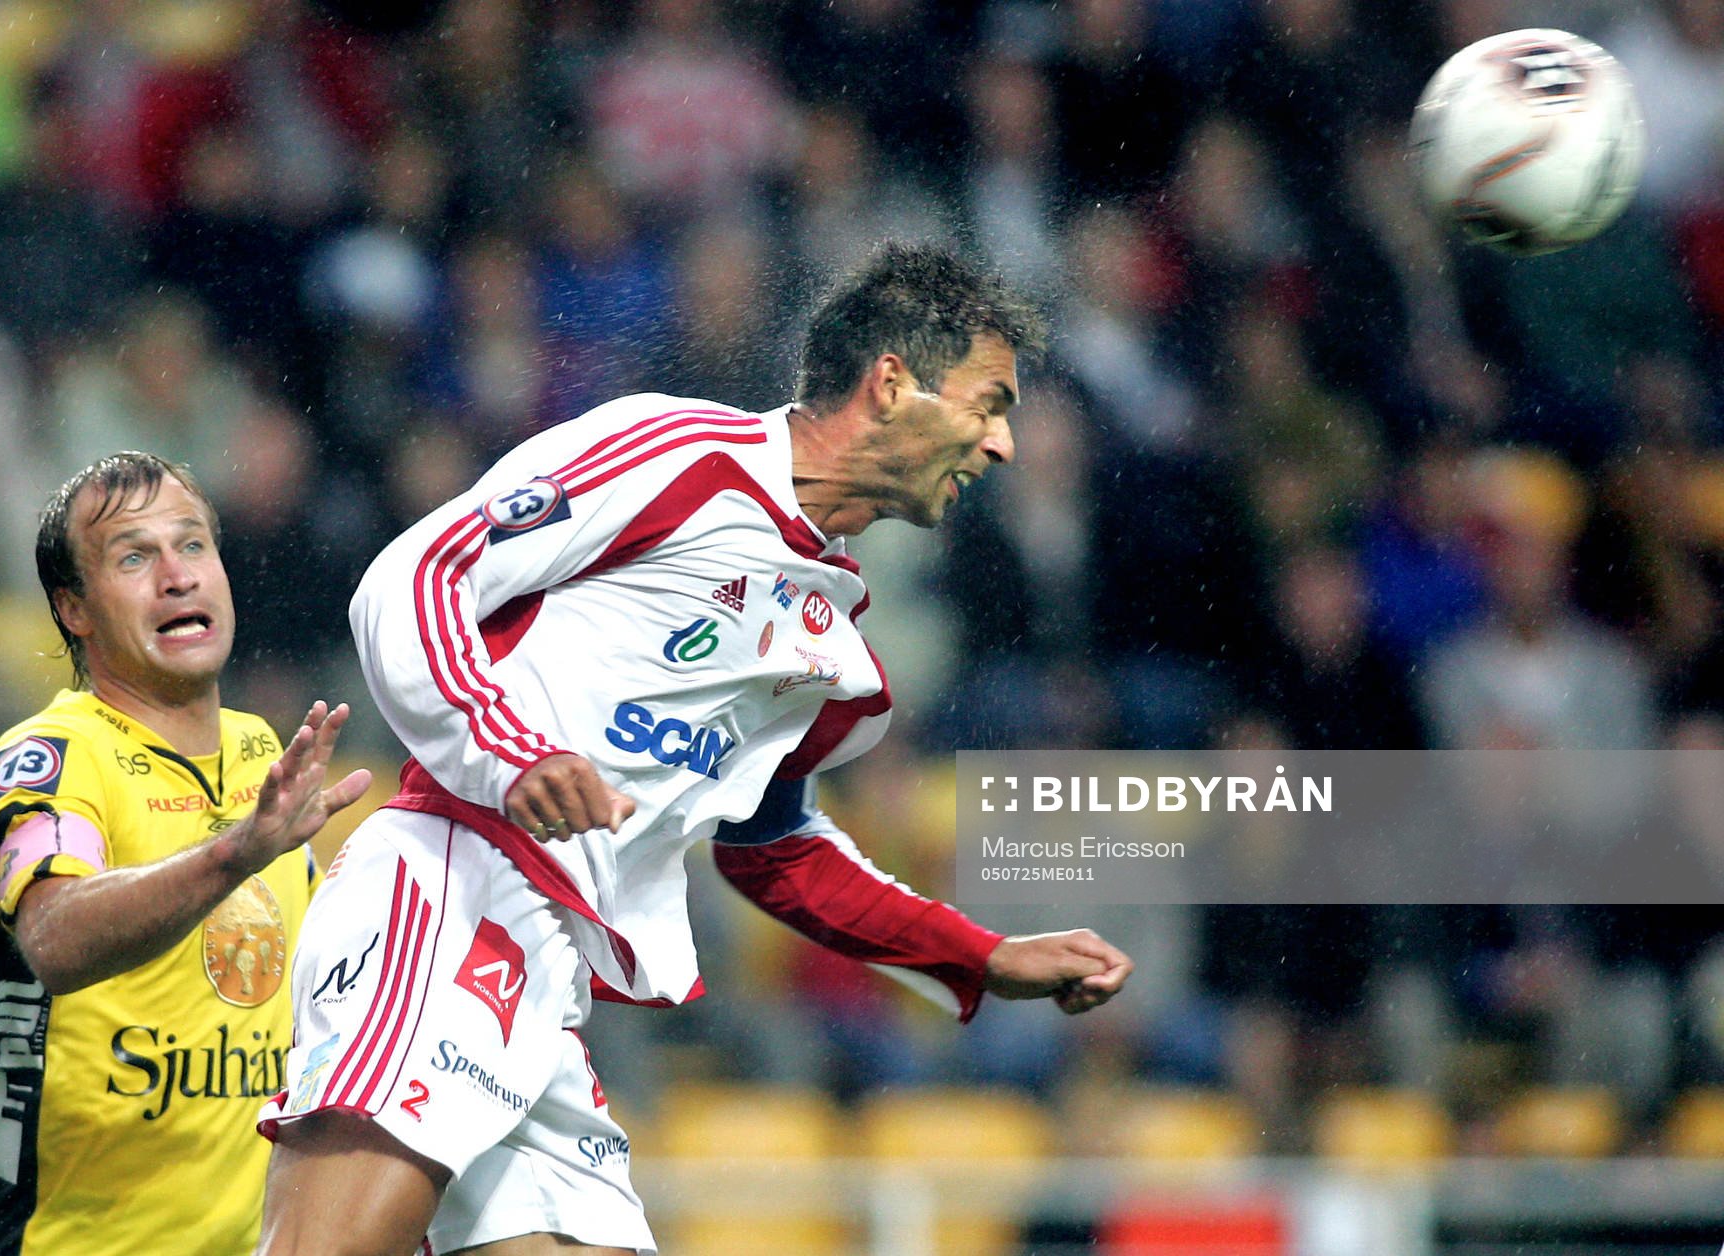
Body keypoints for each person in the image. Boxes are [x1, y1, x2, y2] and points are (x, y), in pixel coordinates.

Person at [256, 244, 1135, 1256]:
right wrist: (512, 750)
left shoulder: (829, 634)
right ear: (892, 382)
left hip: (547, 980)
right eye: (989, 403)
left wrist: (978, 956)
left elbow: (774, 849)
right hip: (448, 891)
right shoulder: (682, 454)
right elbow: (417, 576)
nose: (1004, 444)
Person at [0, 452, 372, 1255]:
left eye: (194, 545)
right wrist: (234, 854)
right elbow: (56, 940)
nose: (178, 576)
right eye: (135, 556)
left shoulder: (261, 752)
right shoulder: (47, 761)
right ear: (74, 609)